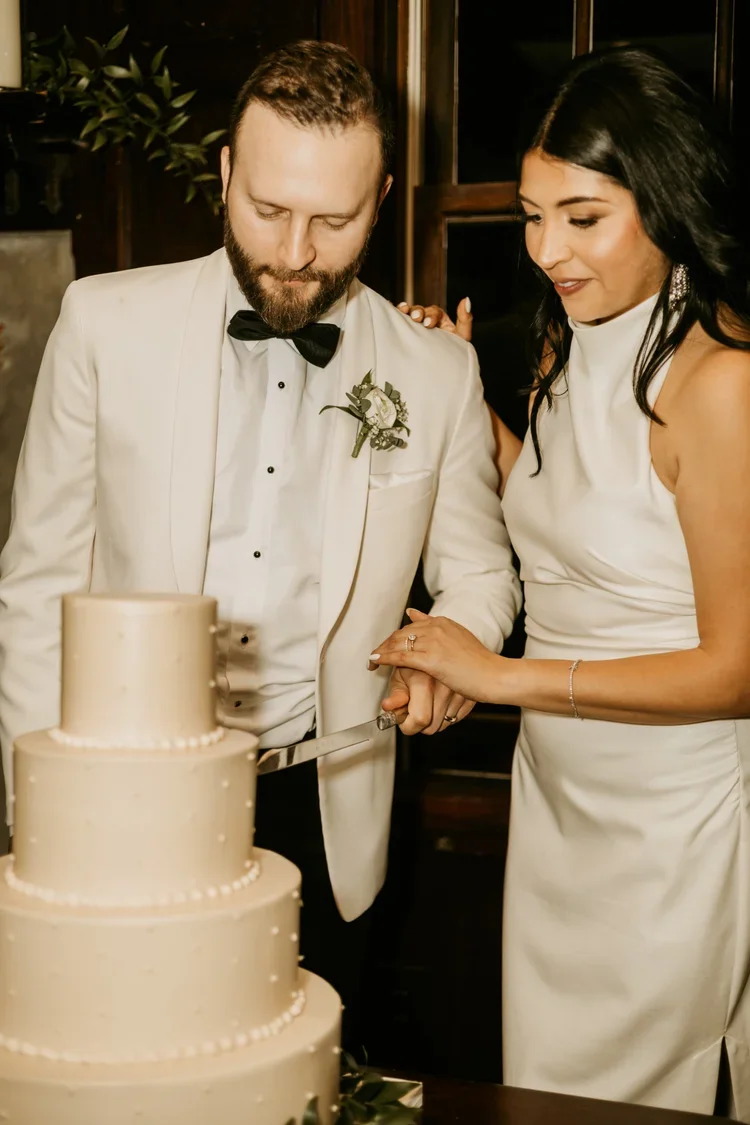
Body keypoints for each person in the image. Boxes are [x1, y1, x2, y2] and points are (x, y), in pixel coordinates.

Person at [0, 40, 521, 1045]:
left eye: (333, 221)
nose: (292, 252)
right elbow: (36, 587)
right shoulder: (103, 325)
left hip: (326, 800)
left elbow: (481, 571)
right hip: (124, 793)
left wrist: (450, 645)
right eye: (267, 209)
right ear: (227, 175)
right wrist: (38, 815)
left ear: (379, 202)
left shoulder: (436, 375)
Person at [379, 47, 750, 1115]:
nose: (546, 250)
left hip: (674, 828)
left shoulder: (720, 386)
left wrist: (499, 678)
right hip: (563, 805)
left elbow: (736, 670)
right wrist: (460, 397)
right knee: (547, 1085)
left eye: (583, 218)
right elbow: (565, 505)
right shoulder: (571, 344)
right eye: (534, 215)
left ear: (669, 198)